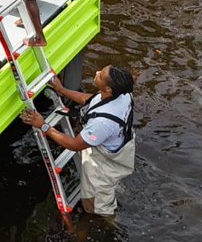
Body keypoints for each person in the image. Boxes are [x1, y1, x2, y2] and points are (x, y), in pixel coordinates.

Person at [20, 65, 136, 217]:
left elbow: (74, 145)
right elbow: (91, 100)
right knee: (108, 184)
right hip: (118, 147)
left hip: (104, 162)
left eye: (101, 75)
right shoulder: (123, 94)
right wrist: (62, 90)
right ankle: (111, 187)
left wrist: (43, 126)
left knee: (95, 205)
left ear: (108, 89)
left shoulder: (102, 123)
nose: (97, 72)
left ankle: (107, 220)